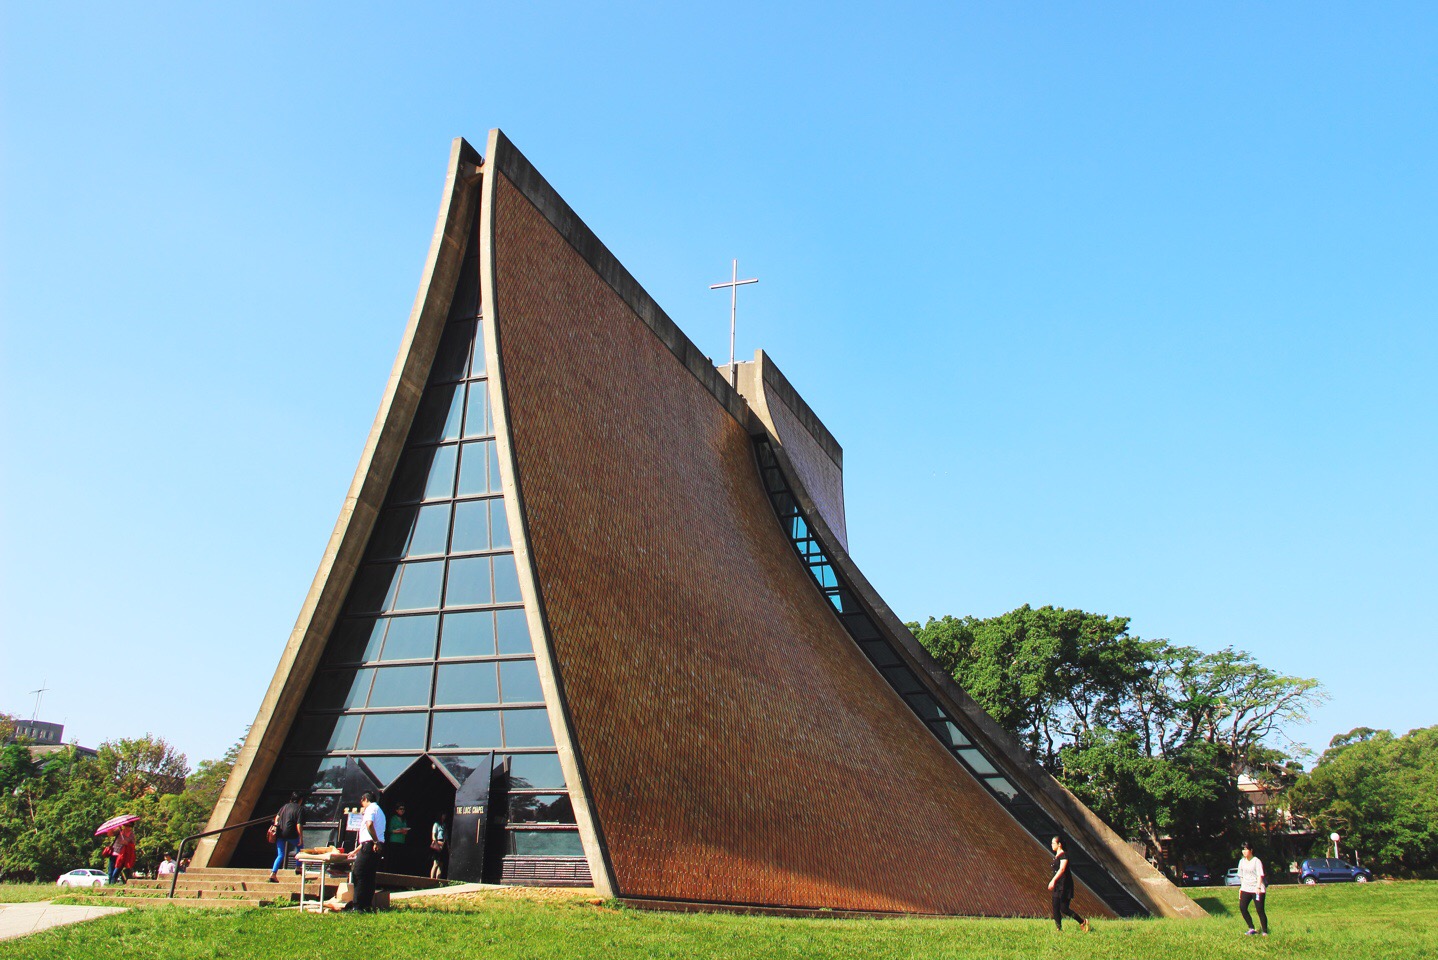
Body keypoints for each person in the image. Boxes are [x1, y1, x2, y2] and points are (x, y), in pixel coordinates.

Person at [347, 792, 385, 912]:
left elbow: (369, 825)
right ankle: (366, 905)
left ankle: (357, 905)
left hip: (371, 845)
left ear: (365, 800)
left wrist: (375, 841)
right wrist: (356, 850)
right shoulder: (379, 810)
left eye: (362, 803)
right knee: (369, 875)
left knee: (359, 873)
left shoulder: (370, 809)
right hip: (372, 845)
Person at [1048, 836, 1089, 932]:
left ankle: (1082, 921)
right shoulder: (1056, 856)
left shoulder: (1064, 855)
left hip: (1065, 885)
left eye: (1053, 843)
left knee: (1064, 908)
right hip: (1058, 885)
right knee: (1055, 906)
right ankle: (1059, 928)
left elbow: (1062, 869)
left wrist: (1053, 880)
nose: (1051, 845)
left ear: (1059, 844)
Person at [269, 791, 304, 883]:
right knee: (300, 847)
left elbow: (277, 817)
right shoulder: (299, 809)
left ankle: (273, 873)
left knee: (280, 854)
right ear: (300, 800)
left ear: (291, 799)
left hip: (280, 833)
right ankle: (298, 867)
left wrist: (276, 825)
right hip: (291, 833)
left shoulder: (284, 807)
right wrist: (300, 837)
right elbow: (299, 824)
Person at [1237, 843, 1269, 936]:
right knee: (1243, 908)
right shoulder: (1241, 862)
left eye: (1246, 849)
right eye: (1243, 850)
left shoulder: (1256, 861)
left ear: (1251, 850)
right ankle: (1251, 928)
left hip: (1257, 888)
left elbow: (1260, 875)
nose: (1244, 852)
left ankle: (1265, 931)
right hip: (1246, 888)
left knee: (1260, 910)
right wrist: (1241, 888)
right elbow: (1241, 876)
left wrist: (1258, 887)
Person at [387, 803, 410, 872]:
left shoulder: (404, 819)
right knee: (393, 858)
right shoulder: (393, 818)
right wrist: (400, 831)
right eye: (401, 809)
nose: (402, 810)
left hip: (402, 841)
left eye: (403, 809)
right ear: (397, 810)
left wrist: (405, 831)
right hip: (394, 840)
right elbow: (390, 830)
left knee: (399, 858)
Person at [429, 814, 447, 880]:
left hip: (443, 844)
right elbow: (433, 836)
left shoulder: (444, 825)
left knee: (441, 864)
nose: (444, 816)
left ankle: (438, 880)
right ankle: (431, 879)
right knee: (436, 863)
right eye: (443, 815)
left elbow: (446, 836)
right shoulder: (436, 824)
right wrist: (437, 845)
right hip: (437, 843)